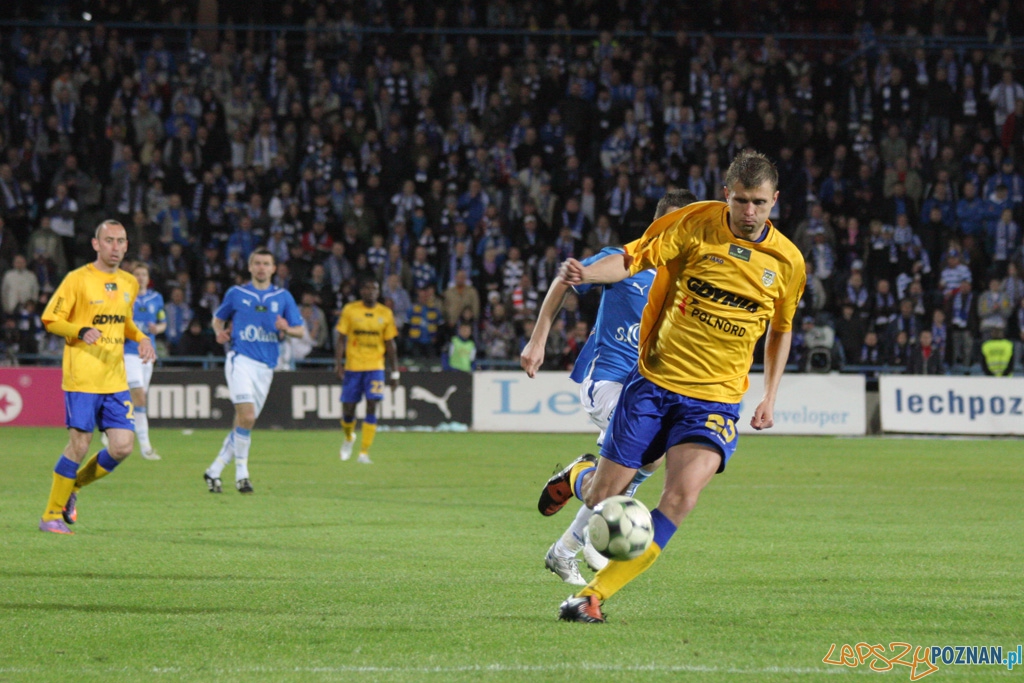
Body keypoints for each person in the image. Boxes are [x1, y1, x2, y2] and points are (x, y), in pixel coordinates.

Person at [543, 150, 806, 622]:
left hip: (716, 399)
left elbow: (781, 329)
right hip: (654, 383)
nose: (749, 212)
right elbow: (631, 259)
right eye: (741, 201)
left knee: (681, 498)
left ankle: (592, 597)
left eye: (759, 203)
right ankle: (580, 474)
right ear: (726, 194)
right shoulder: (692, 223)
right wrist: (588, 272)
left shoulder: (787, 261)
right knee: (600, 497)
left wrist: (770, 394)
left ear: (775, 200)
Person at [521, 188, 696, 586]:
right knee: (635, 457)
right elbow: (567, 280)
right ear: (656, 225)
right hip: (606, 381)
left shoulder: (688, 280)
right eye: (669, 224)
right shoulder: (625, 261)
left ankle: (564, 549)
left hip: (646, 390)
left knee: (646, 462)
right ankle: (581, 487)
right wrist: (538, 339)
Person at [37, 219, 156, 534]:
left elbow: (124, 322)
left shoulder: (129, 282)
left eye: (121, 241)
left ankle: (72, 486)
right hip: (83, 378)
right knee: (79, 445)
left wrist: (142, 337)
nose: (115, 247)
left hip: (114, 379)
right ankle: (50, 516)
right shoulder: (77, 279)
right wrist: (80, 330)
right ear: (96, 244)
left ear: (127, 246)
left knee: (122, 447)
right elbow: (50, 319)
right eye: (109, 240)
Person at [203, 247, 305, 494]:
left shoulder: (282, 297)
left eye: (266, 264)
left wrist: (286, 328)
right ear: (250, 267)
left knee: (243, 422)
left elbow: (300, 330)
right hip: (240, 360)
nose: (261, 268)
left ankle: (214, 470)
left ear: (273, 269)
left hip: (266, 367)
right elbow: (218, 318)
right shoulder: (237, 293)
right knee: (247, 417)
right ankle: (242, 475)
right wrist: (219, 332)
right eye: (257, 263)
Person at [335, 276, 400, 464]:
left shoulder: (385, 313)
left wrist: (395, 372)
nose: (370, 292)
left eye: (374, 289)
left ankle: (364, 452)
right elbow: (341, 339)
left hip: (375, 367)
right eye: (367, 288)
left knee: (373, 405)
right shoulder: (350, 310)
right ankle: (349, 437)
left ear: (378, 292)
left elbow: (390, 344)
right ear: (361, 291)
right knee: (349, 410)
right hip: (353, 367)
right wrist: (338, 364)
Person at [124, 262, 166, 460]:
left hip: (148, 354)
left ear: (148, 279)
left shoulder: (156, 298)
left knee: (137, 399)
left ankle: (110, 427)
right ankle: (145, 447)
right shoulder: (125, 297)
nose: (140, 278)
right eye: (137, 274)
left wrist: (158, 329)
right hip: (129, 352)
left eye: (143, 274)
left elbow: (162, 322)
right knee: (140, 397)